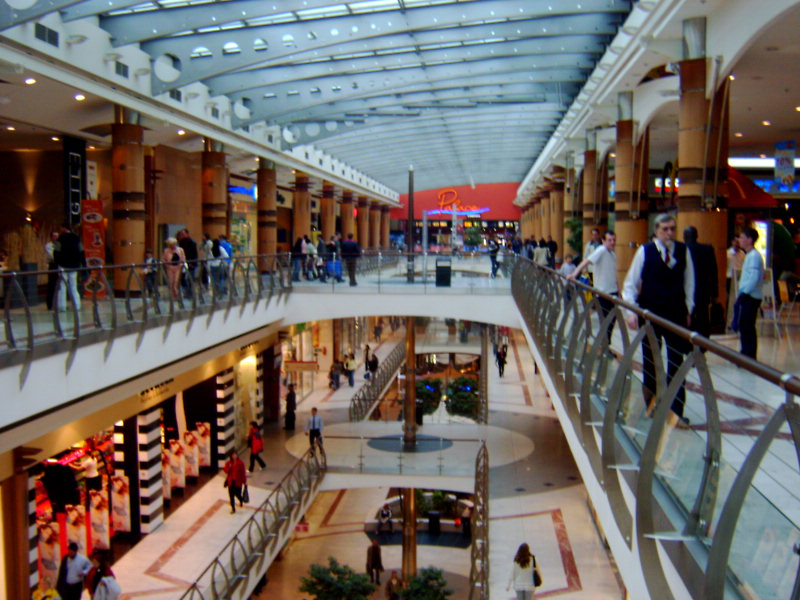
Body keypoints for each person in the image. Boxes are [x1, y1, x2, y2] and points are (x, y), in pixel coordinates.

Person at [623, 214, 695, 420]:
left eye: (672, 228)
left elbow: (690, 283)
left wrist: (689, 310)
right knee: (651, 362)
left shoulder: (683, 251)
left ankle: (676, 411)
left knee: (676, 362)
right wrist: (632, 311)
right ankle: (651, 405)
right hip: (651, 313)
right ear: (656, 231)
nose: (669, 233)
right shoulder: (645, 251)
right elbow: (630, 284)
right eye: (665, 229)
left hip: (675, 314)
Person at [568, 231, 619, 344]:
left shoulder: (613, 253)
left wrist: (618, 290)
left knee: (611, 320)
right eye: (609, 240)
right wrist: (574, 274)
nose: (612, 242)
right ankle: (604, 344)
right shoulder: (601, 250)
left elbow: (613, 274)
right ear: (603, 241)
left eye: (614, 240)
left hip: (612, 292)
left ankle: (606, 344)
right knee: (606, 320)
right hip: (603, 293)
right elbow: (586, 261)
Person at [684, 225, 718, 339]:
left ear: (684, 237)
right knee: (703, 317)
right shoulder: (707, 249)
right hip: (703, 290)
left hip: (686, 290)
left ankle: (688, 338)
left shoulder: (682, 249)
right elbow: (713, 272)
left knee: (687, 315)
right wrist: (714, 294)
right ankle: (703, 340)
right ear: (697, 236)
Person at [736, 227, 764, 359]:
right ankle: (746, 353)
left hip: (751, 296)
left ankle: (748, 355)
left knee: (747, 326)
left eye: (742, 237)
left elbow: (754, 277)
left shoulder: (754, 256)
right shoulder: (750, 255)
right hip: (749, 295)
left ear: (750, 240)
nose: (740, 240)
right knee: (745, 325)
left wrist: (745, 292)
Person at [54, 224, 84, 311]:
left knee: (62, 286)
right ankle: (76, 305)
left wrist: (57, 263)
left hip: (63, 264)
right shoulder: (76, 238)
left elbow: (56, 251)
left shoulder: (60, 238)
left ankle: (62, 306)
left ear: (64, 228)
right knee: (73, 286)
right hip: (74, 265)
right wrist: (82, 263)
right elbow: (81, 251)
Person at [177, 229, 198, 297]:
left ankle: (190, 293)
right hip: (183, 262)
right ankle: (186, 292)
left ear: (187, 234)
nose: (182, 235)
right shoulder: (181, 242)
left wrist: (193, 263)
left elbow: (194, 254)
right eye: (181, 234)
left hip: (190, 263)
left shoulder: (192, 242)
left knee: (190, 278)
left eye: (183, 234)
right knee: (182, 278)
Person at [45, 231, 59, 310]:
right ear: (51, 237)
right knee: (52, 285)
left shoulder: (59, 245)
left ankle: (58, 303)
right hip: (53, 265)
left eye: (57, 236)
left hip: (59, 265)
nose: (56, 238)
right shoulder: (48, 245)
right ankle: (50, 304)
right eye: (54, 236)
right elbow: (52, 256)